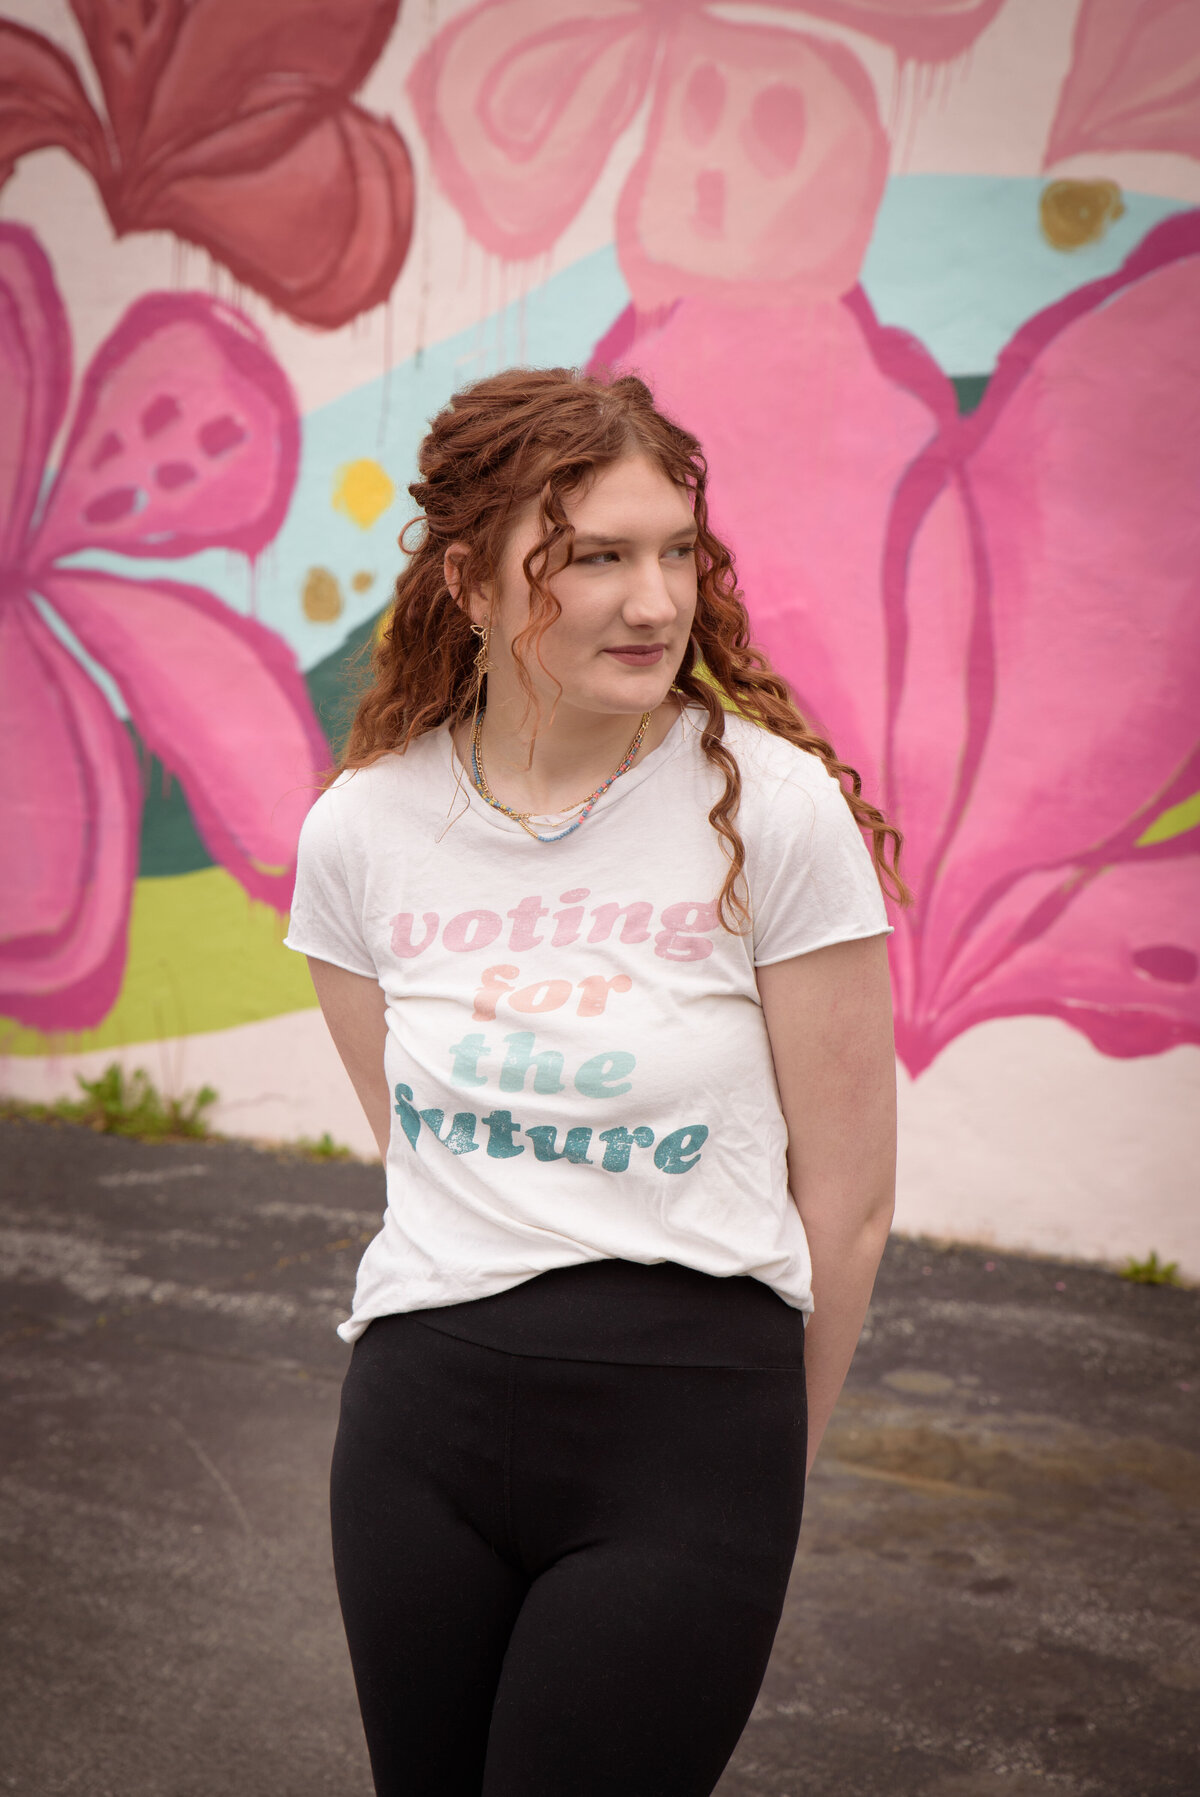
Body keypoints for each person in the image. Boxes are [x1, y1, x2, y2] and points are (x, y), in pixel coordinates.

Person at [284, 365, 906, 1797]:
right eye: (600, 557)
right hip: (418, 1437)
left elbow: (851, 1203)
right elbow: (426, 1154)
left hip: (690, 1439)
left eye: (678, 550)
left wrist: (764, 1460)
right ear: (471, 577)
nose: (657, 600)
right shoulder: (363, 834)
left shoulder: (775, 812)